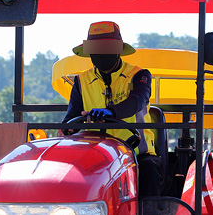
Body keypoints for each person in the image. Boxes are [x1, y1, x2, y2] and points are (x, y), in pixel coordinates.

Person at [61, 21, 162, 196]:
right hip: (96, 155)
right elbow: (71, 118)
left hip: (137, 153)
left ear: (118, 50)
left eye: (105, 49)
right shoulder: (80, 81)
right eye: (96, 50)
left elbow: (137, 100)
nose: (100, 55)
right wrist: (68, 129)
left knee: (149, 170)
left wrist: (112, 112)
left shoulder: (139, 75)